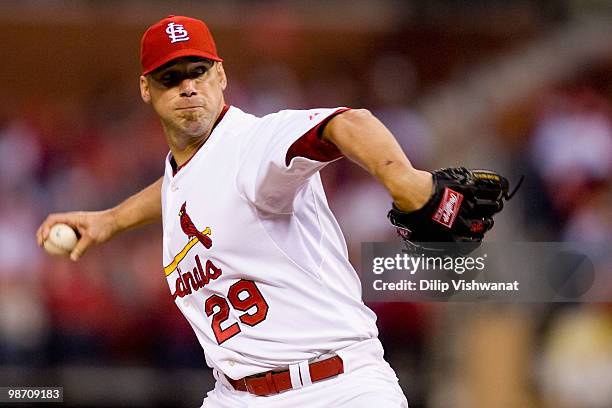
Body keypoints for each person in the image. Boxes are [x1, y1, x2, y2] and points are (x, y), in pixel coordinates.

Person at [37, 15, 434, 407]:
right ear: (146, 88)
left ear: (221, 76)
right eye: (170, 78)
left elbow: (347, 123)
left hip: (335, 387)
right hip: (235, 395)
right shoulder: (189, 168)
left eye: (198, 71)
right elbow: (184, 187)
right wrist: (111, 219)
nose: (188, 87)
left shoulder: (254, 143)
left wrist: (402, 179)